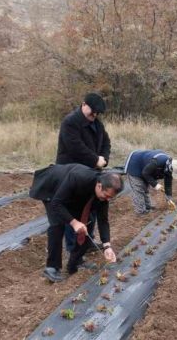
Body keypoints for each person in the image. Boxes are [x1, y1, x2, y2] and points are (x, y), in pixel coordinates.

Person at [29, 163, 123, 283]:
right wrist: (74, 222)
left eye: (111, 197)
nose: (107, 200)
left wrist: (107, 246)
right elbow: (57, 204)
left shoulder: (104, 192)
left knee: (87, 223)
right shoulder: (78, 178)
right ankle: (52, 267)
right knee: (57, 224)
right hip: (52, 188)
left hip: (74, 194)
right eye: (106, 196)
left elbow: (103, 220)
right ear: (99, 186)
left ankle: (75, 263)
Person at [55, 92, 111, 255]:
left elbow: (106, 142)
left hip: (91, 173)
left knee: (91, 209)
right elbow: (75, 147)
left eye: (97, 113)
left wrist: (104, 159)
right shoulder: (70, 122)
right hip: (71, 173)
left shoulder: (98, 125)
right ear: (83, 104)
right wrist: (95, 159)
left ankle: (87, 242)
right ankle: (74, 250)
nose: (94, 115)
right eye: (92, 111)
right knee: (74, 211)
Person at [123, 149, 177, 214]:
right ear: (169, 167)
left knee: (145, 188)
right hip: (134, 164)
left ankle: (148, 207)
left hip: (145, 167)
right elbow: (145, 173)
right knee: (139, 188)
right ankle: (140, 211)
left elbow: (168, 185)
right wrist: (155, 184)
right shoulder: (157, 162)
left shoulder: (169, 169)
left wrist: (169, 199)